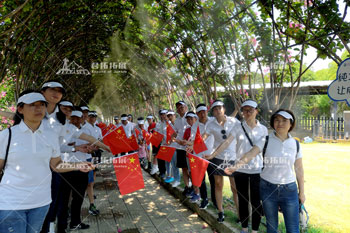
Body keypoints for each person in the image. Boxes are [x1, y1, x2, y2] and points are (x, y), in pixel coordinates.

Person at [0, 92, 92, 233]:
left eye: (42, 105)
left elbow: (56, 165)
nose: (39, 109)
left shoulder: (50, 135)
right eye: (33, 105)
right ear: (20, 109)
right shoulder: (7, 135)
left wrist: (78, 165)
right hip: (12, 203)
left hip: (41, 203)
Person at [224, 109, 305, 233]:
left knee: (293, 228)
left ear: (291, 123)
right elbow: (251, 153)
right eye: (277, 120)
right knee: (271, 226)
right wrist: (236, 166)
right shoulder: (265, 139)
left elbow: (299, 169)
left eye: (284, 120)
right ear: (273, 123)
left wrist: (302, 193)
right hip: (268, 188)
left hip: (289, 190)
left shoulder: (295, 144)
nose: (280, 123)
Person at [202, 100, 240, 223]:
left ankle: (240, 215)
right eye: (215, 109)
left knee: (235, 187)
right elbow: (204, 137)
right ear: (213, 112)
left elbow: (242, 133)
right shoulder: (211, 124)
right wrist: (193, 144)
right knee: (218, 185)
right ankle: (220, 211)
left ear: (224, 109)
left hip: (233, 158)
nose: (218, 110)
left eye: (220, 108)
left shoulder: (234, 121)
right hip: (217, 157)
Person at [234, 100, 267, 233]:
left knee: (256, 201)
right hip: (240, 169)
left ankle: (254, 230)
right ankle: (244, 228)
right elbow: (229, 144)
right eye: (245, 110)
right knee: (243, 199)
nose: (247, 113)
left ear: (256, 111)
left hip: (257, 169)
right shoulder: (237, 127)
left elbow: (263, 149)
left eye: (250, 110)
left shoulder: (263, 129)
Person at [194, 103, 216, 209]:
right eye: (200, 112)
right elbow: (193, 140)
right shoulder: (195, 126)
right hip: (199, 155)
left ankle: (215, 200)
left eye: (204, 111)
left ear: (207, 111)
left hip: (212, 155)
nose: (203, 114)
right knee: (201, 179)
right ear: (197, 114)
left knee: (213, 179)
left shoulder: (213, 121)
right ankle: (204, 199)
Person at [172, 101, 191, 196]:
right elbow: (176, 131)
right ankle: (187, 186)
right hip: (179, 147)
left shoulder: (191, 117)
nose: (180, 109)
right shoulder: (177, 120)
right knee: (184, 168)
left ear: (186, 107)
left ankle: (193, 187)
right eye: (178, 108)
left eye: (181, 107)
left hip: (189, 147)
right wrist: (173, 136)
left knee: (190, 168)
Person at [165, 110, 180, 187]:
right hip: (171, 146)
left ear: (175, 115)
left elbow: (179, 133)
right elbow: (169, 136)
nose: (170, 117)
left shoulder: (179, 123)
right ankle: (175, 178)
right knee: (173, 164)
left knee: (176, 164)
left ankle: (177, 179)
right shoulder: (169, 125)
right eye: (168, 116)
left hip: (179, 146)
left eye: (171, 115)